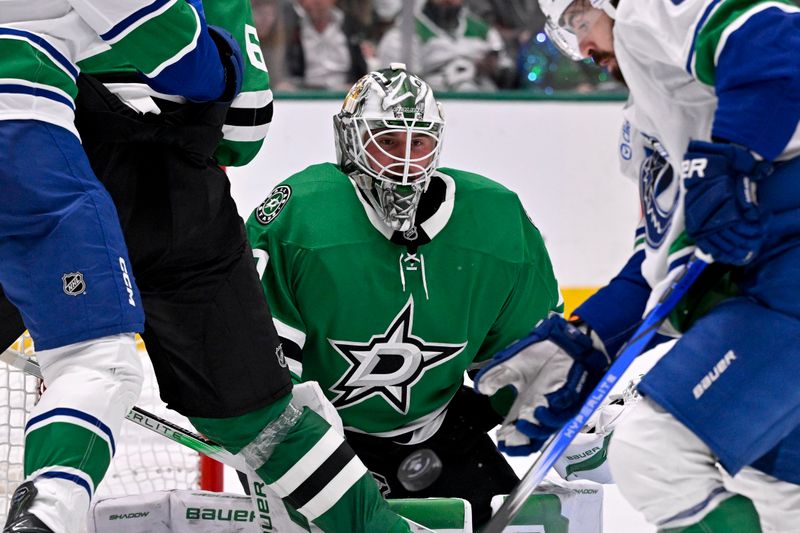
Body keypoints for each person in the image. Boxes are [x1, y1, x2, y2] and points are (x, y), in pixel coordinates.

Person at [1, 1, 417, 531]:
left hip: (44, 163)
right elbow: (244, 134)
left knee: (91, 359)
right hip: (174, 205)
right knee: (263, 421)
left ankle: (49, 510)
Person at [474, 0, 800, 531]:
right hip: (769, 283)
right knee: (774, 493)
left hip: (783, 276)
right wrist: (585, 339)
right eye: (566, 36)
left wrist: (732, 160)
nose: (582, 48)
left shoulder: (649, 10)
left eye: (580, 22)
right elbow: (661, 267)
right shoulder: (653, 117)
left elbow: (773, 36)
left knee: (655, 453)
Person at [244, 63, 563, 526]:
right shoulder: (303, 217)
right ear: (352, 141)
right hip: (315, 444)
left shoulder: (496, 220)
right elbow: (261, 378)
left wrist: (565, 405)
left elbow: (529, 360)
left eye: (421, 143)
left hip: (438, 432)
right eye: (388, 141)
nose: (406, 161)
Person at [0, 1, 243, 531]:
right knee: (97, 359)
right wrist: (226, 62)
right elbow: (169, 44)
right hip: (18, 121)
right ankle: (46, 517)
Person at [377, 0, 515, 91]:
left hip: (483, 103)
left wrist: (493, 68)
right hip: (431, 108)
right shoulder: (403, 34)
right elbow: (394, 87)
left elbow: (507, 70)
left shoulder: (483, 31)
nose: (449, 2)